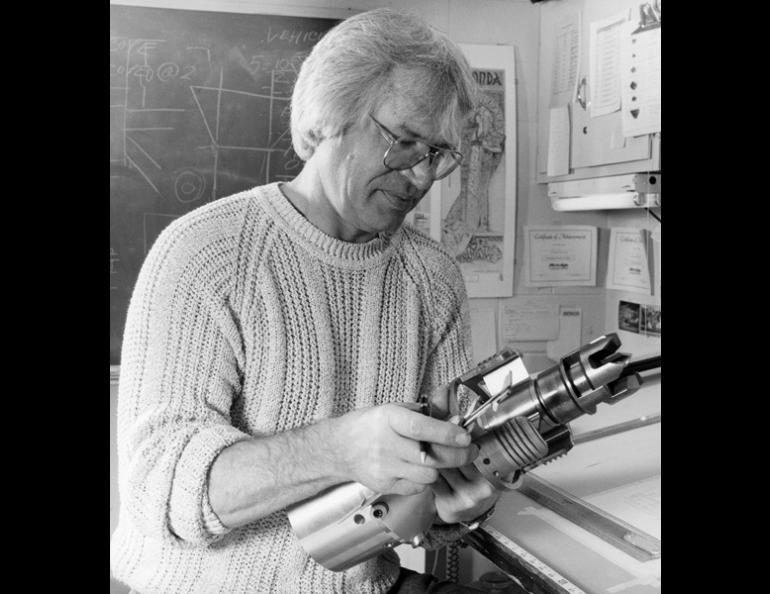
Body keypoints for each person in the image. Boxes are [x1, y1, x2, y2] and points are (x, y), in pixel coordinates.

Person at [111, 8, 510, 593]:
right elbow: (159, 493)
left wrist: (461, 504)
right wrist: (339, 449)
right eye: (404, 143)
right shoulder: (205, 253)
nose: (422, 178)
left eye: (440, 155)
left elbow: (434, 505)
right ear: (329, 118)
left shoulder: (433, 279)